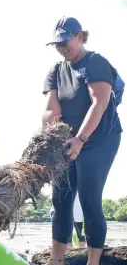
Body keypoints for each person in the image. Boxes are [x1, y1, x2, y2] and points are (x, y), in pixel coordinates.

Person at [42, 17, 122, 265]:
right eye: (57, 43)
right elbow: (50, 110)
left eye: (65, 41)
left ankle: (93, 261)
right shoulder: (55, 71)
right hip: (69, 141)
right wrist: (47, 142)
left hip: (100, 139)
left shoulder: (95, 62)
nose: (61, 47)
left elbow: (100, 102)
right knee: (61, 198)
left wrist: (81, 139)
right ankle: (56, 260)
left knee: (89, 196)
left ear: (80, 36)